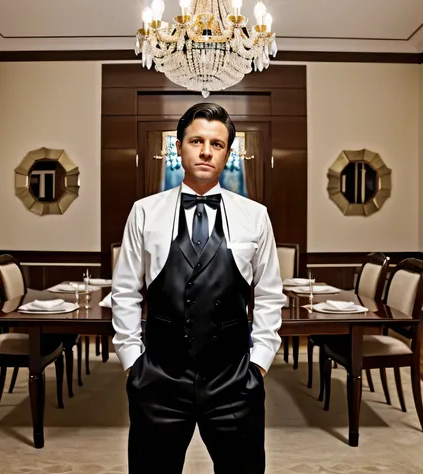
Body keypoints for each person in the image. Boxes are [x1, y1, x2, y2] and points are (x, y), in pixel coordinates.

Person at [112, 102, 286, 474]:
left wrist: (259, 365)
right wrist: (132, 363)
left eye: (217, 144)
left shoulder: (255, 215)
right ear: (179, 147)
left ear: (228, 152)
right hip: (158, 379)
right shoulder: (144, 211)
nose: (206, 151)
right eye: (196, 140)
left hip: (235, 380)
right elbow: (125, 290)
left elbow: (270, 294)